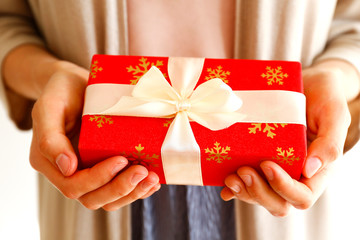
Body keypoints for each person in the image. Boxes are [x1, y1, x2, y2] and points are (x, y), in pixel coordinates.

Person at [1, 0, 359, 239]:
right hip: (99, 177)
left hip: (265, 183)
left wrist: (337, 75)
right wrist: (48, 74)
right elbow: (8, 20)